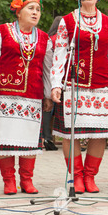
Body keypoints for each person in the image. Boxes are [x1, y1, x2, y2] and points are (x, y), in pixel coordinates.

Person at [51, 0, 108, 194]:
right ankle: (76, 176)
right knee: (71, 131)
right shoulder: (68, 21)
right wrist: (56, 83)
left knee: (99, 132)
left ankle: (90, 175)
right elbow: (60, 54)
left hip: (102, 84)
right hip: (74, 84)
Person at [0, 0, 53, 195]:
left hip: (32, 97)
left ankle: (27, 180)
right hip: (5, 95)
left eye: (38, 9)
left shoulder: (43, 38)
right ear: (19, 12)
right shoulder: (2, 31)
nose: (35, 13)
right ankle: (8, 181)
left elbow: (48, 68)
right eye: (30, 8)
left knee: (29, 138)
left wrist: (48, 94)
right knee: (5, 138)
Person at [41, 16, 62, 151]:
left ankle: (46, 138)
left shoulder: (49, 39)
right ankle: (50, 138)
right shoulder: (59, 40)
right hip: (58, 77)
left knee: (47, 112)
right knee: (53, 110)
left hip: (46, 76)